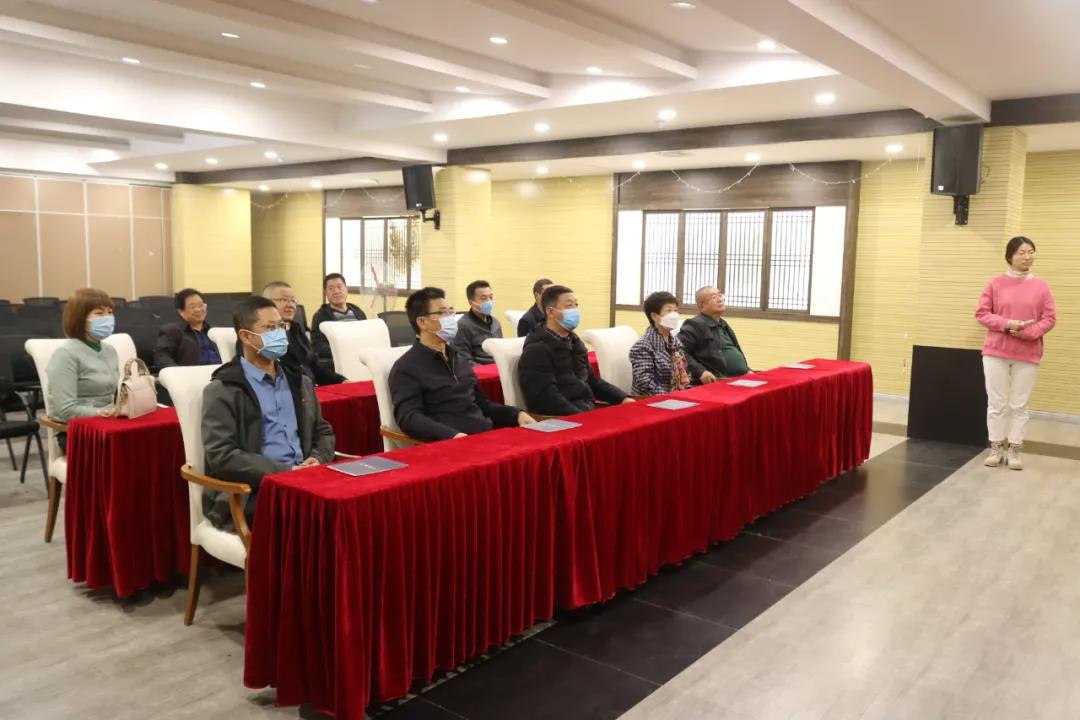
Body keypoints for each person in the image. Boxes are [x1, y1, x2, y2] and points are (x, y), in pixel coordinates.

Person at [201, 296, 336, 530]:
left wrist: (318, 458)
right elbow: (222, 455)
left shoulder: (299, 381)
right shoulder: (224, 389)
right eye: (270, 328)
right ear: (246, 336)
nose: (280, 334)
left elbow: (322, 430)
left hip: (306, 480)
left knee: (353, 509)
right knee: (315, 521)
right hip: (253, 489)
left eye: (281, 326)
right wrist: (285, 472)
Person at [389, 286, 534, 442]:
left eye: (450, 312)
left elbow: (482, 405)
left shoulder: (458, 359)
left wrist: (516, 414)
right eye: (442, 313)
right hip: (452, 443)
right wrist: (452, 436)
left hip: (485, 436)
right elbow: (409, 417)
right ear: (422, 322)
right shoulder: (406, 368)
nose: (450, 318)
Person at [975, 236, 1056, 471]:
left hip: (1028, 353)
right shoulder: (995, 283)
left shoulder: (1042, 286)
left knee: (1020, 404)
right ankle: (996, 448)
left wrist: (1027, 333)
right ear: (1010, 256)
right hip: (995, 352)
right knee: (996, 403)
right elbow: (982, 314)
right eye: (1022, 252)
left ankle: (1014, 449)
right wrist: (1007, 324)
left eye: (1031, 252)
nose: (1028, 257)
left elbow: (1049, 318)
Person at [519, 284, 631, 415]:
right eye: (569, 306)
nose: (575, 310)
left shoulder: (574, 342)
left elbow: (591, 380)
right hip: (561, 418)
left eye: (576, 305)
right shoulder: (536, 350)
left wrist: (622, 398)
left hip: (586, 409)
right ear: (551, 312)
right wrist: (581, 417)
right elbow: (547, 397)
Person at [45, 288, 121, 451]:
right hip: (78, 432)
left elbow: (114, 394)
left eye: (110, 312)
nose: (108, 318)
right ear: (80, 318)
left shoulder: (110, 351)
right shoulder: (65, 354)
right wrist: (103, 413)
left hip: (109, 425)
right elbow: (66, 410)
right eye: (99, 313)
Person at [261, 281, 345, 386]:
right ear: (266, 303)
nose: (290, 305)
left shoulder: (296, 329)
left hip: (310, 389)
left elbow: (314, 365)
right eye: (284, 300)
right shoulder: (262, 335)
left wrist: (341, 380)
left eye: (293, 301)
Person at [630, 291, 696, 396]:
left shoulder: (676, 342)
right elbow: (646, 383)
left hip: (677, 395)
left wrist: (687, 392)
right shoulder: (642, 346)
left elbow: (685, 372)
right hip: (651, 399)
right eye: (669, 311)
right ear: (654, 316)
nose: (674, 315)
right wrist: (672, 397)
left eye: (675, 310)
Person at [678, 287, 748, 380]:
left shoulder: (723, 323)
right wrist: (700, 372)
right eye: (714, 297)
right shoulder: (694, 324)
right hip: (718, 380)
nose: (720, 300)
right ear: (702, 305)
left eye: (720, 295)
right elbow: (679, 351)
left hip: (742, 377)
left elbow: (733, 349)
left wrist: (746, 370)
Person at [153, 288, 221, 369]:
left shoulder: (215, 331)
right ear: (181, 312)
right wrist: (179, 372)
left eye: (201, 305)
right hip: (191, 374)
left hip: (219, 373)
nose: (198, 309)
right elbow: (161, 357)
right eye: (193, 307)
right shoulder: (172, 331)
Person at [310, 273, 367, 370]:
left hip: (361, 360)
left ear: (346, 289)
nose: (336, 291)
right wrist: (343, 350)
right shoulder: (320, 316)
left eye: (339, 287)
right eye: (331, 288)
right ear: (325, 292)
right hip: (337, 364)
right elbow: (318, 345)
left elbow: (366, 336)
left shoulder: (358, 312)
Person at [451, 279, 502, 365]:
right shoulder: (462, 326)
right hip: (479, 369)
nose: (489, 302)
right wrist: (484, 370)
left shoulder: (495, 323)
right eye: (483, 298)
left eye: (491, 297)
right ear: (471, 303)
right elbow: (463, 360)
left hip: (499, 367)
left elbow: (501, 351)